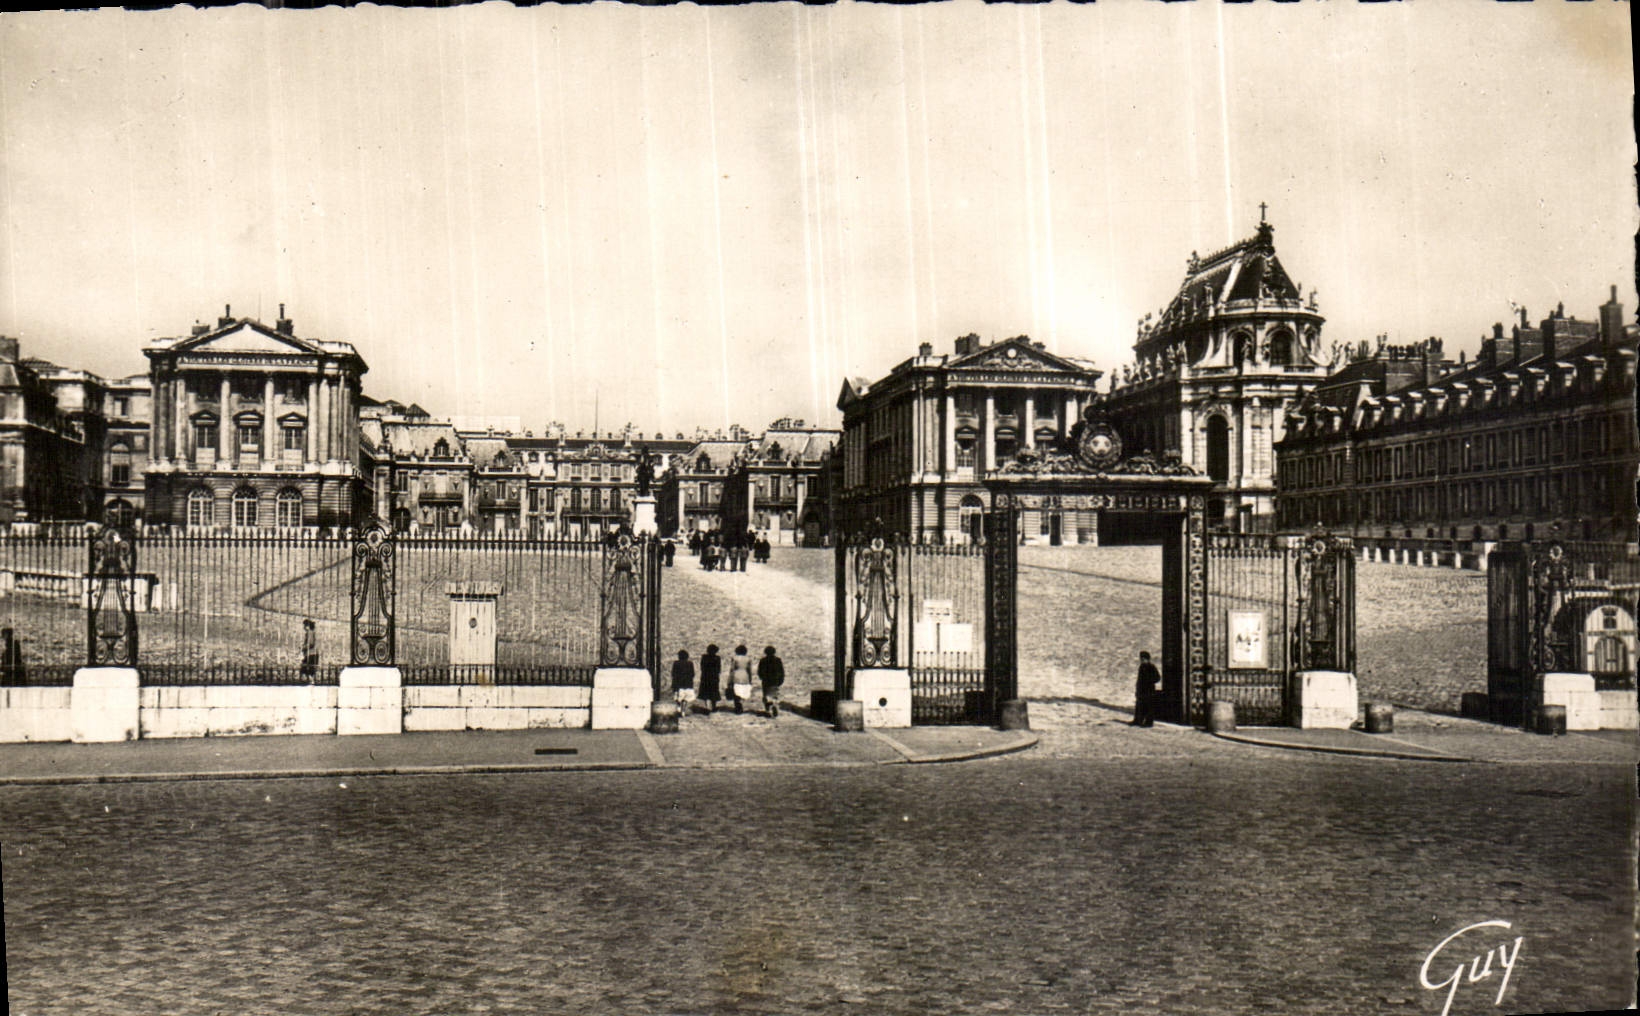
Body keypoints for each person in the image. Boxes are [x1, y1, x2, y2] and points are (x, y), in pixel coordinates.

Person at [1132, 650, 1160, 727]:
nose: (1142, 660)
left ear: (1147, 659)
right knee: (1139, 706)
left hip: (1149, 690)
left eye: (1143, 659)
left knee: (1149, 707)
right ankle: (1138, 720)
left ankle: (1148, 723)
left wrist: (1149, 681)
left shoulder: (1151, 667)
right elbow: (1139, 679)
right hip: (1141, 690)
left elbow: (1157, 678)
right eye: (1141, 659)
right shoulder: (1141, 667)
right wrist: (1137, 689)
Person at [757, 645, 785, 718]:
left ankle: (768, 708)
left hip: (766, 680)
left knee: (766, 695)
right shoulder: (778, 660)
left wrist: (761, 677)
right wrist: (781, 679)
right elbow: (781, 671)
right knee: (774, 694)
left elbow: (759, 671)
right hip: (775, 680)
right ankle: (774, 704)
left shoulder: (762, 660)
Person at [727, 644, 754, 714]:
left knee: (736, 692)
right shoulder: (748, 659)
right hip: (745, 676)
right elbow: (750, 670)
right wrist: (750, 680)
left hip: (736, 676)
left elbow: (732, 669)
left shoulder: (735, 658)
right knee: (742, 691)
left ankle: (738, 707)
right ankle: (741, 703)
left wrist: (729, 680)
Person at [698, 644, 723, 713]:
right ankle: (713, 706)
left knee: (705, 692)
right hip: (714, 677)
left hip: (705, 677)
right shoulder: (717, 658)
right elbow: (718, 669)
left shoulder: (704, 657)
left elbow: (702, 667)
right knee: (714, 692)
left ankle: (707, 707)